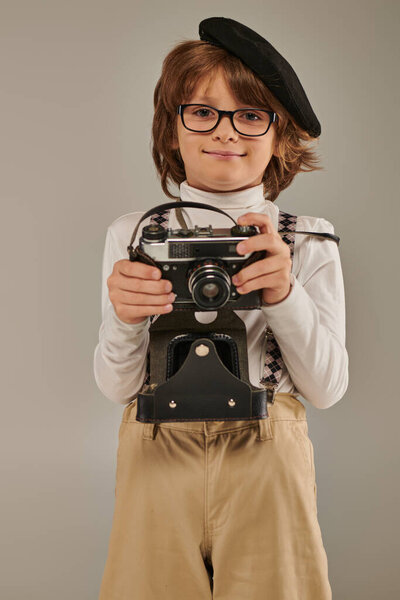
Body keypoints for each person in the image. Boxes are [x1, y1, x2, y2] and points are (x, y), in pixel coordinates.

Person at [94, 17, 348, 600]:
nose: (226, 133)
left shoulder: (306, 239)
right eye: (203, 111)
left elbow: (328, 387)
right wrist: (126, 315)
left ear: (280, 134)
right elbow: (116, 387)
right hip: (155, 449)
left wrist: (284, 293)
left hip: (267, 448)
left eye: (251, 114)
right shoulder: (133, 234)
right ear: (172, 127)